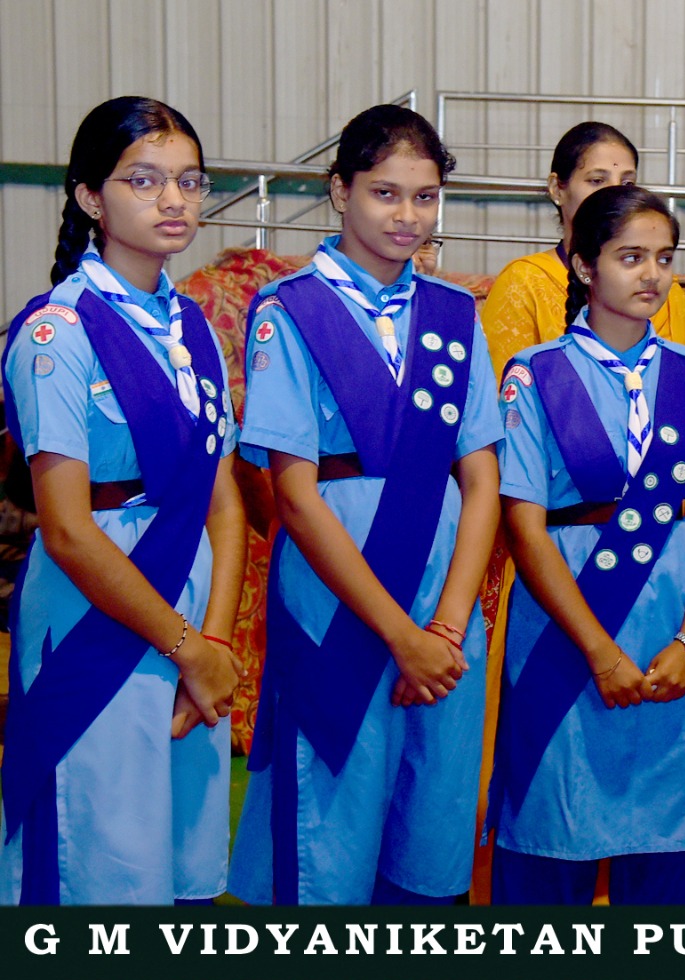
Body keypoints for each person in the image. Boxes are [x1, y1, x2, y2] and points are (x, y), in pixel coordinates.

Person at [228, 105, 502, 906]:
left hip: (444, 610)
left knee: (433, 824)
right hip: (337, 603)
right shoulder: (289, 311)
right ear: (339, 189)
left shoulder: (456, 314)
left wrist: (445, 627)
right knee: (329, 828)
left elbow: (482, 480)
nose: (407, 215)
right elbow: (293, 496)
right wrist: (401, 638)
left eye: (425, 196)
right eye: (386, 193)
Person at [0, 97, 244, 904]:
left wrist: (213, 644)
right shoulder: (58, 331)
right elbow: (68, 531)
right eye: (144, 180)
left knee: (177, 853)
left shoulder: (194, 329)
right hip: (94, 613)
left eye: (189, 181)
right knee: (98, 860)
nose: (174, 200)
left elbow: (225, 503)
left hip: (189, 621)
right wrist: (189, 648)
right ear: (89, 197)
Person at [492, 185, 685, 905]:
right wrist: (599, 652)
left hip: (674, 635)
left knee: (673, 848)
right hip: (567, 632)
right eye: (631, 257)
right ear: (583, 263)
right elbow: (523, 525)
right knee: (552, 836)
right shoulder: (534, 374)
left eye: (664, 257)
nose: (652, 275)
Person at [482, 121, 685, 372]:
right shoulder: (525, 283)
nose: (615, 193)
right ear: (557, 189)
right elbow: (503, 388)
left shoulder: (663, 290)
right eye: (597, 180)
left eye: (627, 184)